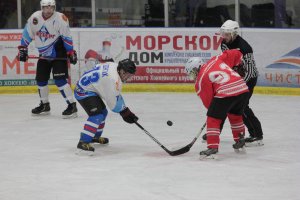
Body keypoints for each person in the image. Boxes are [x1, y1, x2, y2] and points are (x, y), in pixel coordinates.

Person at [17, 0, 78, 118]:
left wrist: (70, 51)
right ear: (42, 8)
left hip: (58, 55)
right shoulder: (35, 17)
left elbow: (66, 37)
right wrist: (23, 48)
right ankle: (45, 105)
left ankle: (72, 106)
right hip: (44, 55)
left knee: (60, 80)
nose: (49, 10)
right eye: (46, 7)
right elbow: (27, 33)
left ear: (54, 7)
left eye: (51, 7)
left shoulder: (61, 18)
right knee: (40, 80)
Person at [185, 49, 249, 159]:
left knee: (212, 118)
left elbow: (209, 102)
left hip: (226, 92)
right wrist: (239, 63)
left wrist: (214, 112)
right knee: (235, 115)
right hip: (242, 88)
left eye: (192, 73)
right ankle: (240, 139)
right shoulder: (215, 59)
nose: (193, 77)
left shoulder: (200, 79)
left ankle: (212, 147)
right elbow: (234, 53)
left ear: (197, 68)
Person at [74, 59, 138, 153]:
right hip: (83, 91)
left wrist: (125, 110)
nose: (129, 78)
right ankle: (83, 142)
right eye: (128, 75)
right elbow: (113, 105)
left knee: (103, 112)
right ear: (122, 71)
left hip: (89, 87)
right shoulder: (112, 80)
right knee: (97, 115)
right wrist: (125, 112)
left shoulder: (114, 66)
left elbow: (99, 66)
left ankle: (94, 136)